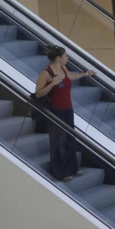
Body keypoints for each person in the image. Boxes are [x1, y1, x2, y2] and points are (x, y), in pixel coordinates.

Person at [33, 45, 95, 182]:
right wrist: (52, 84)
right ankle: (60, 172)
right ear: (58, 58)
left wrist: (85, 74)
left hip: (68, 108)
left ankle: (72, 168)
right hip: (56, 110)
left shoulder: (63, 68)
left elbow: (70, 76)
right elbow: (38, 93)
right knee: (58, 141)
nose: (67, 58)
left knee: (70, 138)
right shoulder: (46, 73)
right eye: (65, 56)